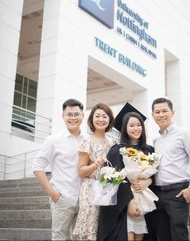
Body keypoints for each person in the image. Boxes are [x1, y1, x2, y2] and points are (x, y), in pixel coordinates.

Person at [145, 97, 190, 241]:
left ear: (173, 112)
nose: (161, 114)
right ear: (152, 115)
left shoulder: (184, 133)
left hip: (178, 193)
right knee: (162, 235)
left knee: (179, 234)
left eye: (165, 111)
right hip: (158, 193)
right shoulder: (155, 141)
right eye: (157, 112)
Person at [98, 102, 154, 241]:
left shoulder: (149, 150)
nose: (136, 128)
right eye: (131, 125)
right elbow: (115, 179)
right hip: (124, 205)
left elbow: (156, 175)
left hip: (145, 202)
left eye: (139, 125)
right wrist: (129, 202)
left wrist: (148, 180)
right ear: (124, 128)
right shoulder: (117, 150)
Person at [32, 98, 85, 240]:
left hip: (84, 199)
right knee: (59, 237)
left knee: (82, 238)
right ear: (63, 116)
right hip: (63, 198)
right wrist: (53, 194)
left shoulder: (87, 140)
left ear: (82, 115)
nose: (73, 118)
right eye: (69, 114)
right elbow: (37, 167)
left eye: (76, 114)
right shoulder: (53, 140)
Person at [73, 103, 114, 240]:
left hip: (107, 190)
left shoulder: (112, 142)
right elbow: (81, 171)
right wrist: (96, 164)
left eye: (104, 116)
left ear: (109, 120)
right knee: (89, 226)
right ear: (91, 119)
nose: (101, 119)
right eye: (97, 116)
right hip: (90, 189)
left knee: (103, 228)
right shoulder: (87, 141)